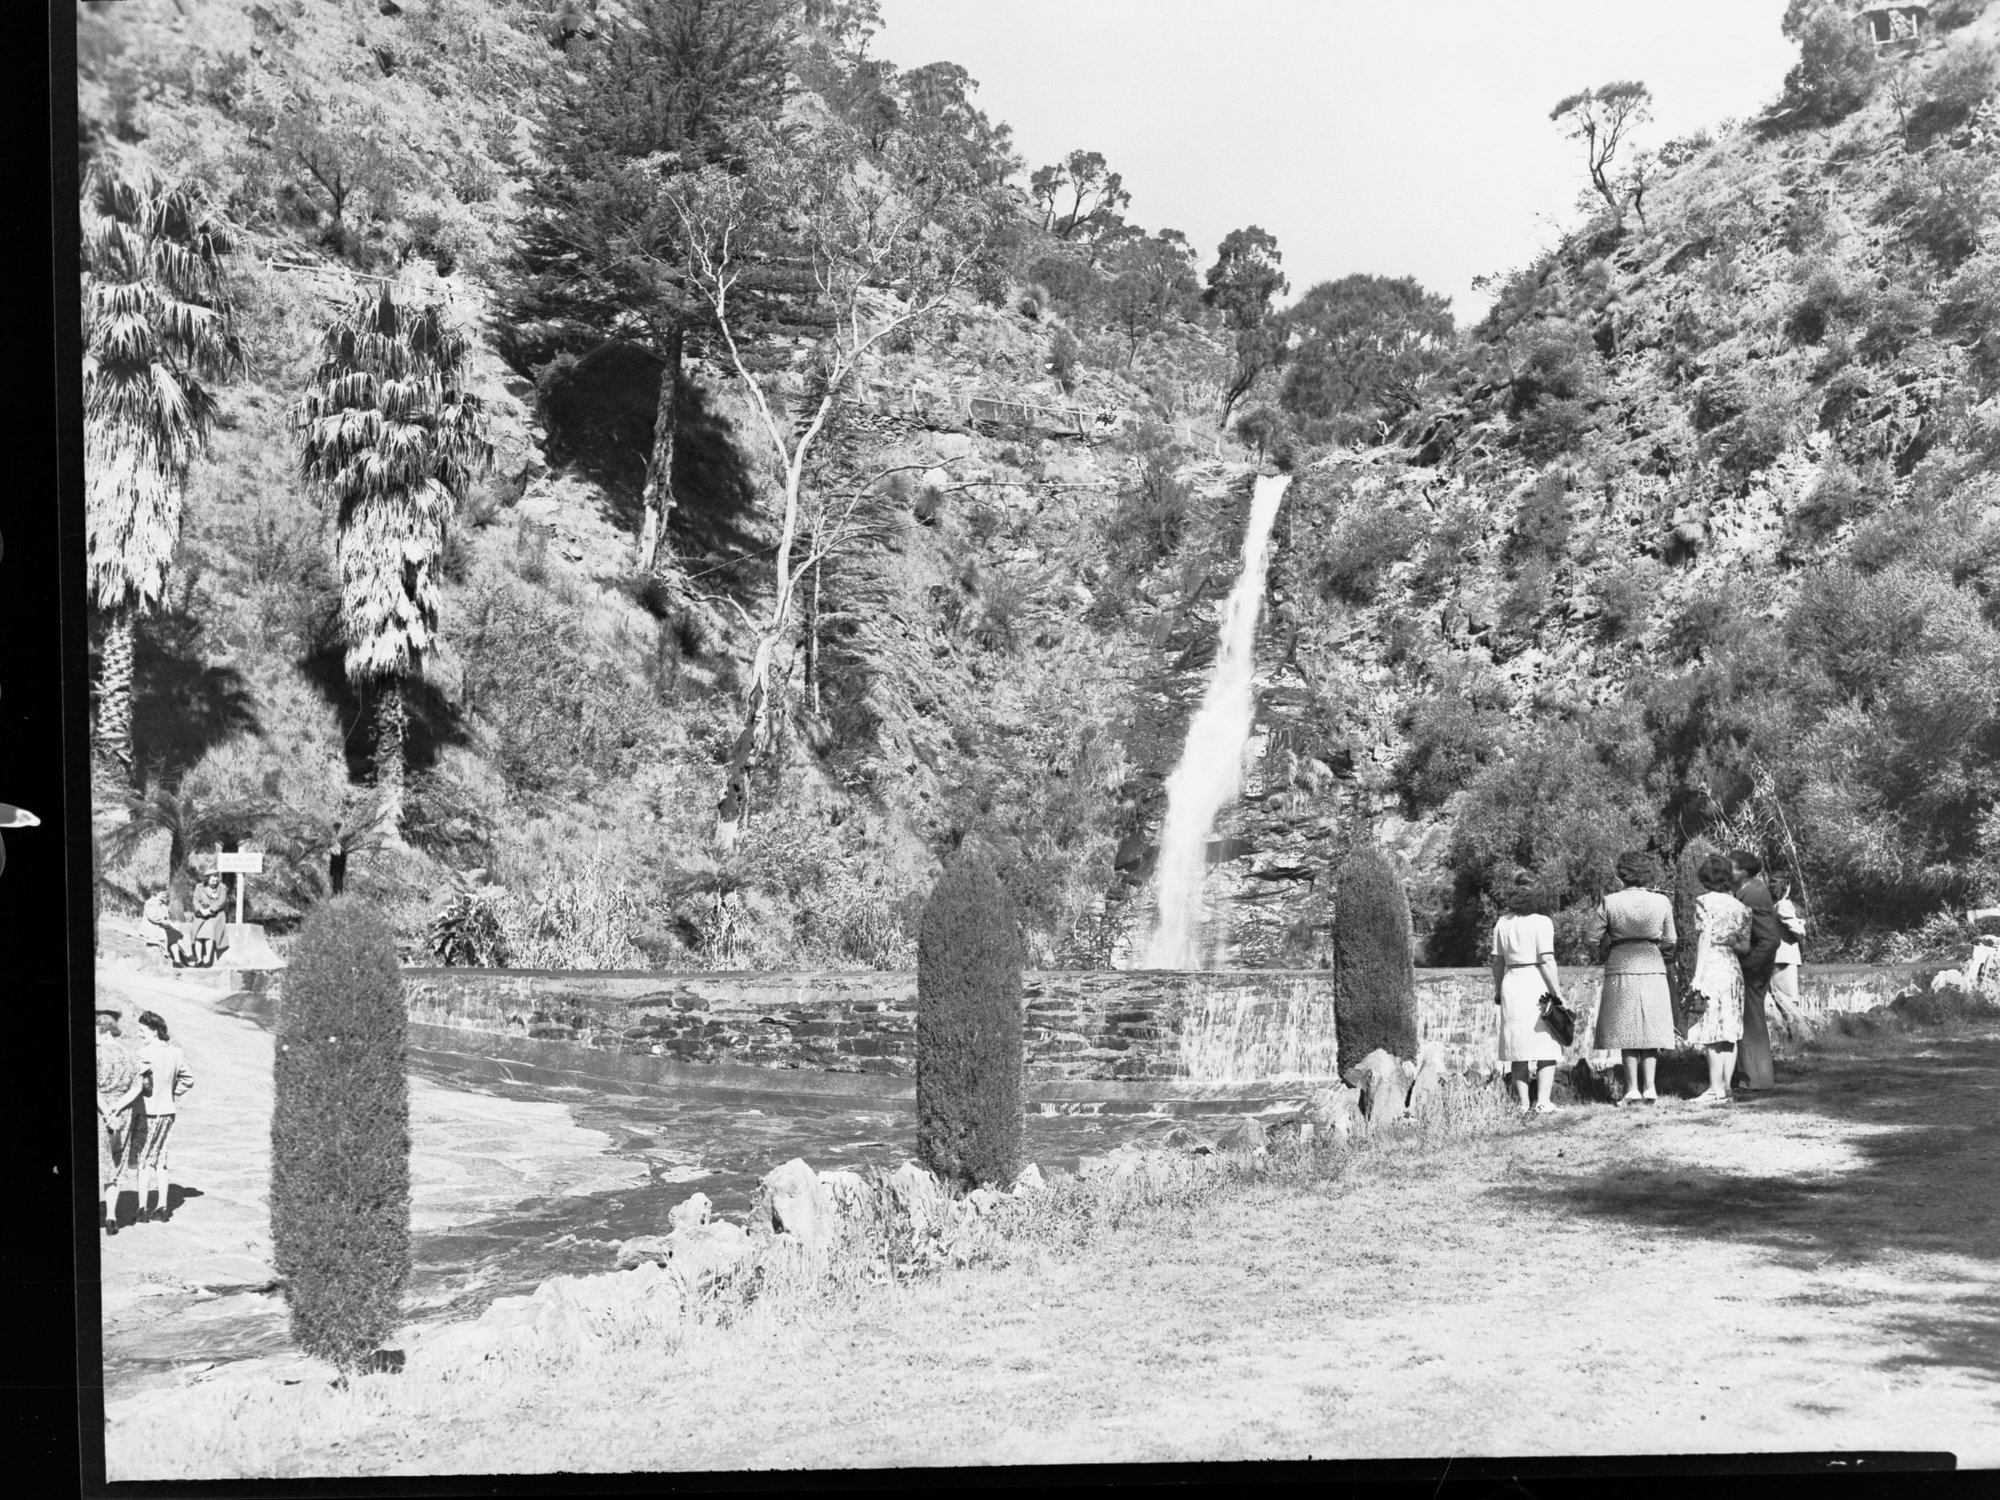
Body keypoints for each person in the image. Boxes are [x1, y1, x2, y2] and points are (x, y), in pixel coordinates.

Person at [1589, 850, 1679, 1105]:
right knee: (1650, 1029)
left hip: (1620, 963)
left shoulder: (1610, 901)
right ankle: (1650, 1088)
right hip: (1652, 963)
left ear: (1622, 874)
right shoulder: (1661, 902)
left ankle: (1631, 1089)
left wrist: (1606, 945)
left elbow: (1590, 937)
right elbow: (1671, 939)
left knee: (1626, 1029)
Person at [1489, 872, 1569, 1117]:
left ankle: (1523, 1104)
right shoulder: (1542, 922)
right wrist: (1558, 993)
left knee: (1518, 1045)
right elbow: (1546, 959)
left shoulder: (1503, 923)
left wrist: (1498, 988)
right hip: (1536, 983)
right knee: (1546, 1042)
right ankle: (1543, 1101)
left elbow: (1496, 961)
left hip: (1512, 982)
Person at [1685, 855, 1752, 1103]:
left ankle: (1714, 1089)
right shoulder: (1740, 907)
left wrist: (1697, 974)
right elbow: (1745, 946)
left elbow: (1704, 937)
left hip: (1712, 965)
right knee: (1730, 1029)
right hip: (1732, 967)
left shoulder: (1703, 902)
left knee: (1712, 1029)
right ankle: (1726, 1088)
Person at [129, 1009, 193, 1224]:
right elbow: (188, 1079)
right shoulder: (176, 1052)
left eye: (142, 1030)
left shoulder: (143, 1053)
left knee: (144, 1160)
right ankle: (163, 1207)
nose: (139, 1034)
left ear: (154, 1031)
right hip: (167, 1111)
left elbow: (140, 1084)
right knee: (161, 1160)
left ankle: (142, 1209)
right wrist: (172, 1093)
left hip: (146, 1112)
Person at [1730, 850, 1781, 1093]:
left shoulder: (1753, 895)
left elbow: (1770, 939)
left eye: (1731, 867)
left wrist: (1750, 967)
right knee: (1751, 1022)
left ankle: (1755, 1080)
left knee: (1752, 1023)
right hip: (1754, 967)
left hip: (1753, 969)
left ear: (1742, 871)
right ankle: (1753, 1078)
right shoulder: (1750, 891)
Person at [96, 1007, 147, 1234]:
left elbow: (93, 1088)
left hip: (99, 1113)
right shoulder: (131, 1055)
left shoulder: (96, 1055)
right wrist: (118, 1106)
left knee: (97, 1163)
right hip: (123, 1113)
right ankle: (111, 1216)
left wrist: (107, 1110)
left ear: (103, 1030)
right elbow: (138, 1086)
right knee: (115, 1163)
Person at [1769, 876, 1806, 1028]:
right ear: (1786, 888)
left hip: (1776, 957)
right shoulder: (1784, 904)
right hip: (1785, 959)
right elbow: (1798, 930)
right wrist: (1801, 923)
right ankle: (1795, 1037)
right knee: (1789, 1001)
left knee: (1779, 1000)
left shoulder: (1772, 904)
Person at [186, 870, 230, 968]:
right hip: (201, 914)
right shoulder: (199, 887)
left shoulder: (222, 887)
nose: (215, 880)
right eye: (212, 878)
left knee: (209, 934)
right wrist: (200, 910)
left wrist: (210, 910)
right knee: (197, 934)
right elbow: (195, 899)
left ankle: (207, 959)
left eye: (216, 877)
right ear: (207, 878)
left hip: (215, 914)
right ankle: (199, 959)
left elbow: (222, 901)